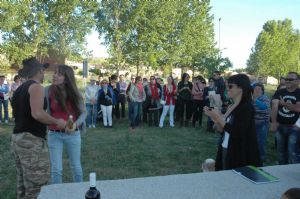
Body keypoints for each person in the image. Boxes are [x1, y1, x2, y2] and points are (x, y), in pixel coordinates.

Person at [11, 57, 66, 198]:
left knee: (23, 182)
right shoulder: (36, 87)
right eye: (43, 71)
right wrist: (57, 122)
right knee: (37, 185)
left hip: (18, 139)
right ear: (40, 70)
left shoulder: (19, 89)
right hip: (31, 141)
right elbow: (37, 113)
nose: (44, 74)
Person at [204, 74, 262, 170]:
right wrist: (214, 116)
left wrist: (218, 117)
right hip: (225, 147)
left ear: (241, 88)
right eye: (227, 86)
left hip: (237, 152)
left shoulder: (247, 108)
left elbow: (237, 132)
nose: (227, 89)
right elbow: (221, 130)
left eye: (230, 86)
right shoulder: (231, 106)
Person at [45, 65, 86, 184]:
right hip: (54, 134)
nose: (54, 76)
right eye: (54, 73)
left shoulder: (75, 93)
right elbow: (44, 112)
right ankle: (57, 194)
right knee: (56, 169)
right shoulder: (48, 90)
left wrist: (75, 125)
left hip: (73, 135)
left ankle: (79, 191)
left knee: (75, 166)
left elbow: (84, 113)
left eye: (59, 74)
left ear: (67, 78)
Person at [271, 72, 300, 164]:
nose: (287, 81)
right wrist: (274, 122)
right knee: (280, 152)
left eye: (290, 79)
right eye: (287, 79)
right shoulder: (279, 92)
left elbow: (298, 109)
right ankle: (282, 172)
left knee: (293, 153)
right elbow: (274, 105)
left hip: (294, 128)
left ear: (298, 81)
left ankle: (293, 175)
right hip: (280, 126)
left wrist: (283, 104)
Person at [252, 83, 270, 163]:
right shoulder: (250, 99)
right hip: (252, 124)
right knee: (252, 141)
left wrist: (255, 99)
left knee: (260, 142)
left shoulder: (264, 98)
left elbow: (264, 108)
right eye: (255, 89)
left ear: (262, 91)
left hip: (262, 124)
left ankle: (261, 158)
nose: (257, 90)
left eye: (259, 89)